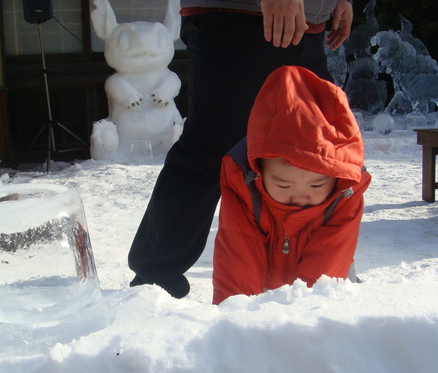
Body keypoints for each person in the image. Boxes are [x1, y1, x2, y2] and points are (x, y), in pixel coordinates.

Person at [128, 0, 354, 298]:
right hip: (244, 17)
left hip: (308, 24)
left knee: (320, 157)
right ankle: (153, 281)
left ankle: (316, 281)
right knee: (211, 151)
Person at [212, 65, 371, 304]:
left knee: (336, 308)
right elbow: (237, 256)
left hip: (329, 277)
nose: (299, 197)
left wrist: (305, 318)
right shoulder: (243, 185)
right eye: (284, 186)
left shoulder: (345, 192)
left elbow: (329, 258)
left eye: (316, 186)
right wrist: (235, 320)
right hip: (264, 276)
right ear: (259, 171)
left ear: (336, 179)